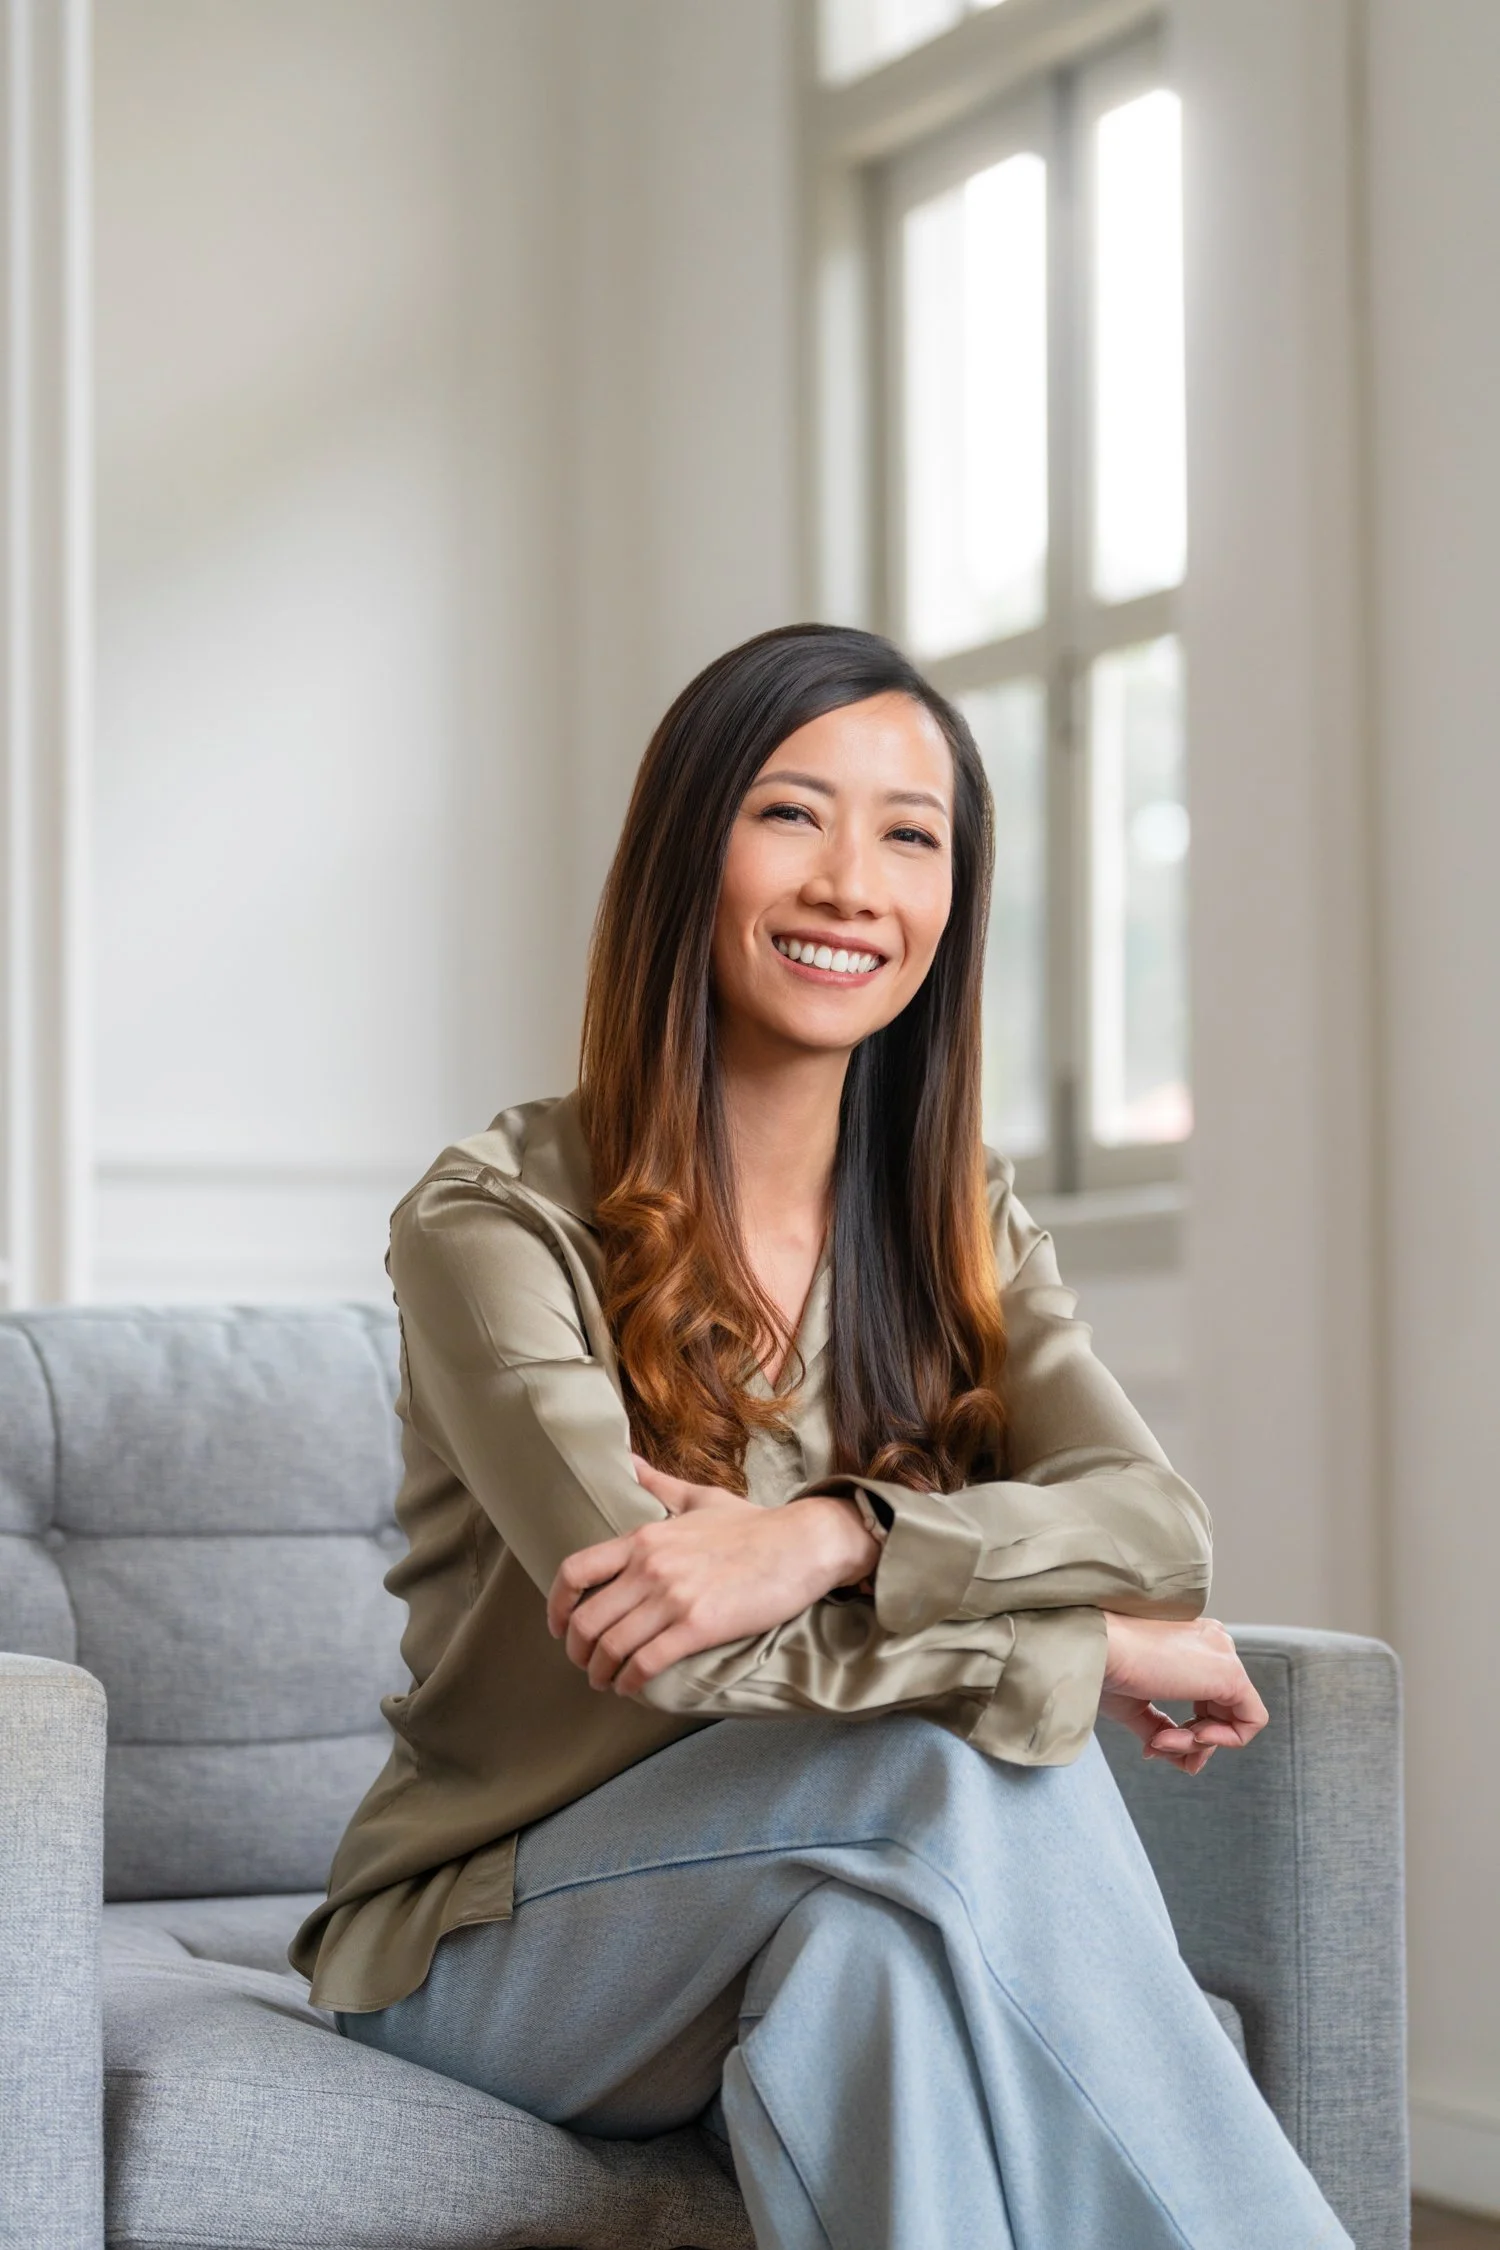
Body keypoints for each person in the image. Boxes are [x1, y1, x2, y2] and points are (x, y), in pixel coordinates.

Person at [289, 623, 1353, 2247]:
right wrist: (1089, 1653)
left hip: (793, 1890)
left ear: (951, 900)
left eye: (909, 835)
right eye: (793, 812)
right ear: (683, 854)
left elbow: (1160, 1528)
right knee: (937, 1774)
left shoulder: (965, 1224)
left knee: (877, 1988)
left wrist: (837, 1530)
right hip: (489, 1935)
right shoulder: (492, 1222)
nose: (854, 880)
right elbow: (668, 1652)